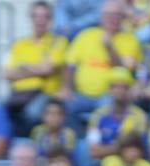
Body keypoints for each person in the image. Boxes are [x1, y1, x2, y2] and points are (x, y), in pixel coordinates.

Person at [59, 0, 140, 131]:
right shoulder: (86, 35)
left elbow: (125, 70)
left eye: (115, 15)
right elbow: (69, 64)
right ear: (101, 17)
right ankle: (76, 142)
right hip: (82, 95)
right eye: (107, 15)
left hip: (110, 97)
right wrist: (66, 88)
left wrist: (110, 48)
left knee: (109, 107)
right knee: (63, 106)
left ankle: (101, 142)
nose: (111, 19)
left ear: (122, 18)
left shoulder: (130, 40)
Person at [3, 0, 69, 136]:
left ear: (50, 20)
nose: (40, 21)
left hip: (44, 93)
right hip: (18, 94)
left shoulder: (58, 42)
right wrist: (36, 70)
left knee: (31, 113)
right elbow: (7, 73)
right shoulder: (19, 45)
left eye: (44, 16)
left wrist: (23, 68)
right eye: (36, 16)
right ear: (30, 18)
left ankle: (29, 147)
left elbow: (48, 69)